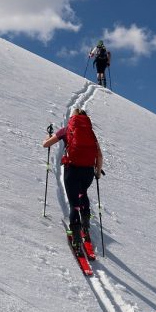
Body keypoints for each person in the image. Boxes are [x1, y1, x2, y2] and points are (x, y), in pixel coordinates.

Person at [41, 108, 103, 252]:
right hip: (88, 172)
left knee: (74, 203)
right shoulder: (91, 134)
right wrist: (98, 173)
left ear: (72, 118)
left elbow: (46, 144)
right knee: (83, 193)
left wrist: (46, 136)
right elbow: (99, 155)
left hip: (72, 170)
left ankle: (76, 236)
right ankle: (85, 222)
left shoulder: (66, 130)